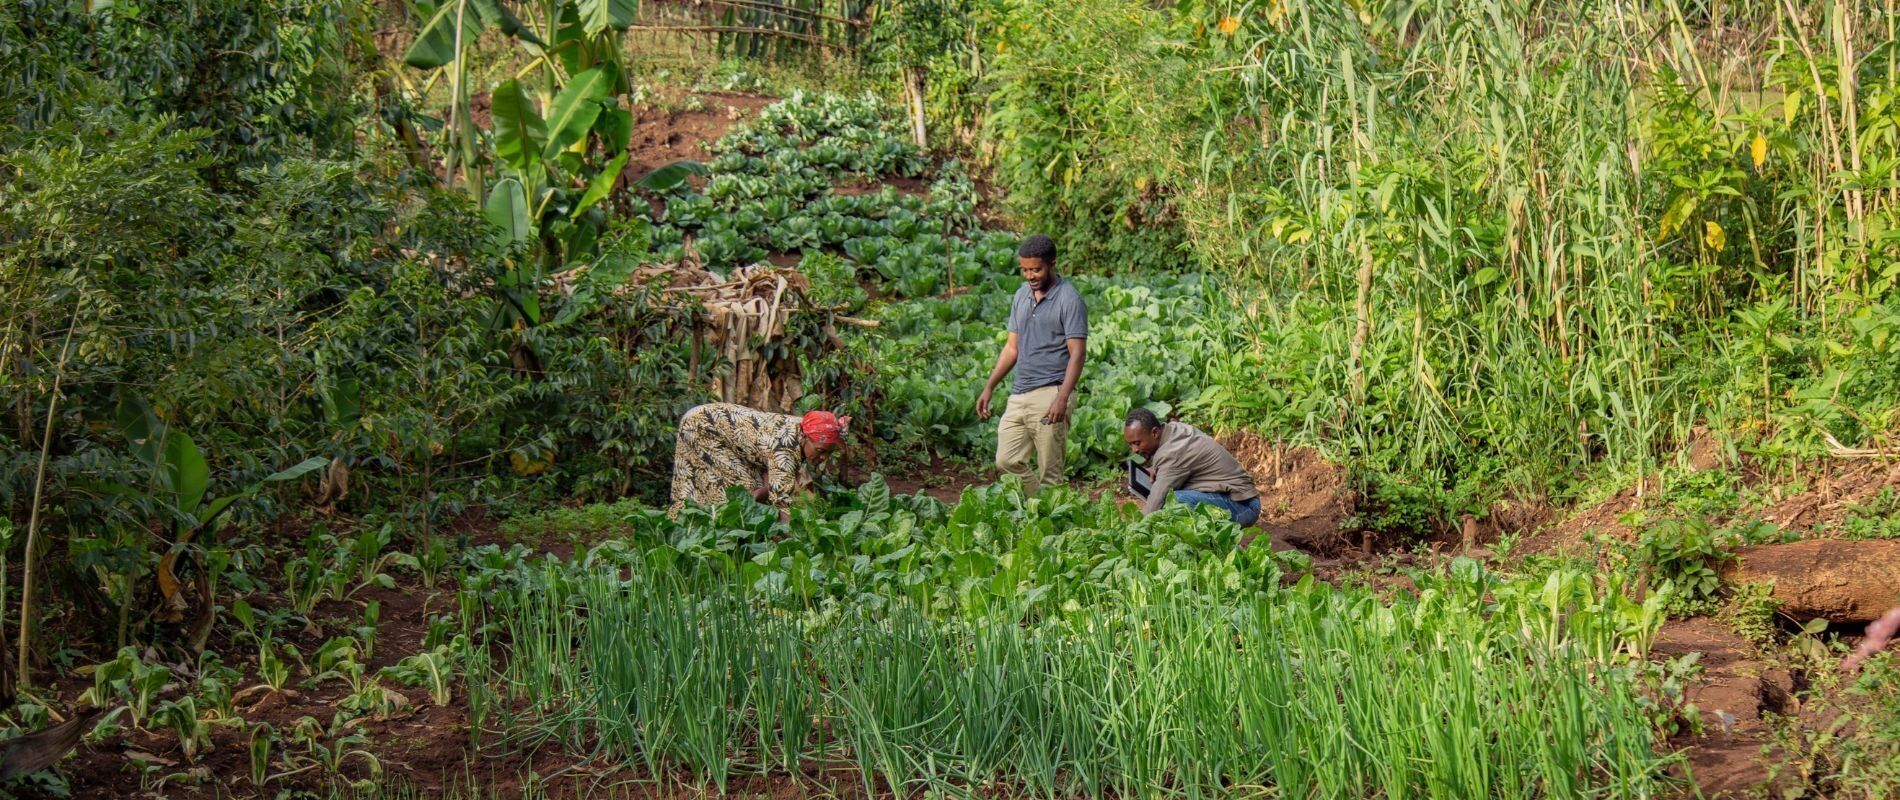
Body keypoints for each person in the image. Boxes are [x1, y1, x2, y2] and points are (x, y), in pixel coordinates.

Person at [975, 233, 1088, 496]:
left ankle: (1052, 525)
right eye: (1025, 270)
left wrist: (1062, 398)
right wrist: (990, 386)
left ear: (1052, 264)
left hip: (1051, 391)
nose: (1030, 276)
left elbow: (1078, 353)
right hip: (1020, 392)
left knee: (1051, 471)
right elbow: (1012, 347)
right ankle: (1040, 506)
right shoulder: (1021, 297)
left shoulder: (1069, 300)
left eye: (1036, 269)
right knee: (1006, 460)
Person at [667, 402, 849, 523]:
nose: (823, 458)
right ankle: (693, 527)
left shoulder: (804, 429)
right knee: (738, 493)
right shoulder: (784, 448)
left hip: (723, 432)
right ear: (804, 438)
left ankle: (689, 524)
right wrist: (796, 545)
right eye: (820, 451)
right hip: (702, 426)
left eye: (829, 453)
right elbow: (782, 505)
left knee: (752, 490)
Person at [1122, 407, 1261, 527]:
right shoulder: (1174, 429)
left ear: (1154, 433)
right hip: (1235, 497)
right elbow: (1179, 461)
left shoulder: (1172, 453)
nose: (1134, 450)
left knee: (1172, 500)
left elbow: (1155, 502)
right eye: (1130, 445)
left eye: (1137, 443)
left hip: (1244, 506)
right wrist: (1157, 469)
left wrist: (1135, 528)